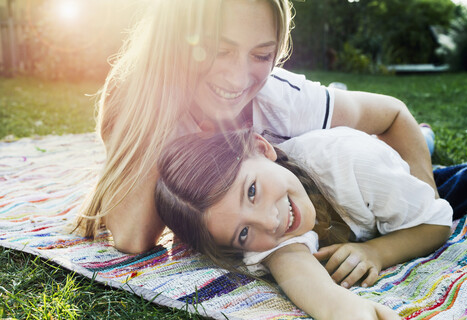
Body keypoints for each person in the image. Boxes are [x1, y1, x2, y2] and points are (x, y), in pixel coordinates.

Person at [75, 0, 437, 254]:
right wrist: (164, 95)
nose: (237, 79)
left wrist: (428, 206)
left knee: (408, 150)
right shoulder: (138, 96)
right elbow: (132, 237)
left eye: (262, 55)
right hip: (318, 165)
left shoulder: (281, 98)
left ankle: (427, 138)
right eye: (219, 49)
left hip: (348, 156)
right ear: (176, 42)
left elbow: (392, 113)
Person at [154, 127, 452, 320]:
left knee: (433, 153)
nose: (270, 223)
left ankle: (425, 132)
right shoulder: (257, 227)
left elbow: (437, 223)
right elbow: (293, 264)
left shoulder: (356, 163)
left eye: (252, 191)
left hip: (381, 151)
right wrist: (345, 311)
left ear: (262, 148)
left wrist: (376, 252)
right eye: (243, 233)